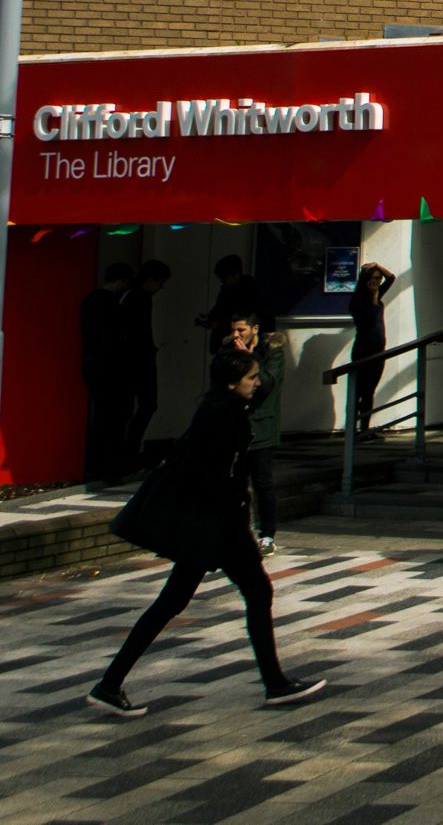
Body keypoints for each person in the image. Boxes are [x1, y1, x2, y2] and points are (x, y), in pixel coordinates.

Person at [87, 348, 323, 717]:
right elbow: (207, 472)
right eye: (251, 377)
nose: (257, 382)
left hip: (206, 525)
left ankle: (109, 684)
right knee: (255, 592)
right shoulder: (223, 415)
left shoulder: (219, 407)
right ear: (232, 383)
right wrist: (235, 506)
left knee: (174, 602)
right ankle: (275, 684)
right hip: (216, 525)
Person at [226, 313, 285, 553]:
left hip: (262, 427)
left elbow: (268, 383)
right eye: (234, 330)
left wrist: (249, 359)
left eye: (241, 330)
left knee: (262, 482)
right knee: (236, 482)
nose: (236, 335)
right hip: (236, 425)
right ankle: (240, 530)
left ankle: (267, 534)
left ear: (255, 328)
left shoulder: (273, 350)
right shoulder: (229, 349)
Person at [78, 263, 131, 482]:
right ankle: (108, 465)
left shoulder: (88, 301)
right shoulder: (111, 303)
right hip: (110, 365)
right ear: (121, 281)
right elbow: (118, 335)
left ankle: (93, 464)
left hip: (91, 361)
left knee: (99, 414)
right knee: (113, 416)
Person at [116, 261, 170, 470]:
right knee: (147, 404)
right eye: (160, 283)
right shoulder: (141, 299)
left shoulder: (127, 296)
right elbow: (140, 332)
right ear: (151, 280)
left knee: (130, 407)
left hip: (129, 359)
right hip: (140, 359)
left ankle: (126, 450)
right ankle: (129, 450)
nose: (160, 288)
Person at [346, 259, 395, 436]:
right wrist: (374, 299)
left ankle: (364, 428)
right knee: (358, 390)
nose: (377, 283)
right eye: (373, 279)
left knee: (369, 391)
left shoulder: (376, 295)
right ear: (365, 281)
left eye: (378, 280)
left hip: (378, 350)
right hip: (364, 350)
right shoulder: (359, 301)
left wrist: (377, 265)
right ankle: (352, 428)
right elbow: (367, 319)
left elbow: (392, 278)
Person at [203, 255, 270, 350]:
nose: (222, 281)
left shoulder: (249, 294)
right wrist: (211, 317)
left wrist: (220, 324)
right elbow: (220, 309)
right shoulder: (226, 292)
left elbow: (245, 320)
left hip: (241, 346)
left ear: (236, 274)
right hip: (226, 344)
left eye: (224, 278)